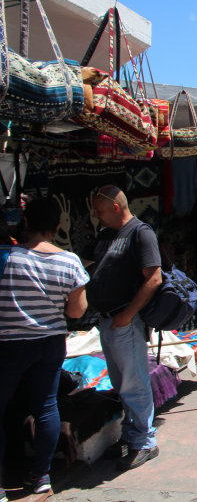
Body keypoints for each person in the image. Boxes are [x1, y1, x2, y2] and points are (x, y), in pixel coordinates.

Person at [0, 197, 89, 496]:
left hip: (9, 344)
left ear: (26, 222)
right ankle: (40, 478)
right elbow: (76, 312)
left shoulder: (7, 257)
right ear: (56, 226)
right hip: (50, 343)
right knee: (45, 407)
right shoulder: (70, 261)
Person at [86, 185, 162, 470]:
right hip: (109, 320)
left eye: (100, 210)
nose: (97, 216)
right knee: (121, 384)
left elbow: (153, 279)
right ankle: (132, 434)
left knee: (134, 383)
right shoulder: (107, 235)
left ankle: (144, 442)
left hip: (124, 321)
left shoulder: (140, 233)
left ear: (116, 208)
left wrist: (127, 316)